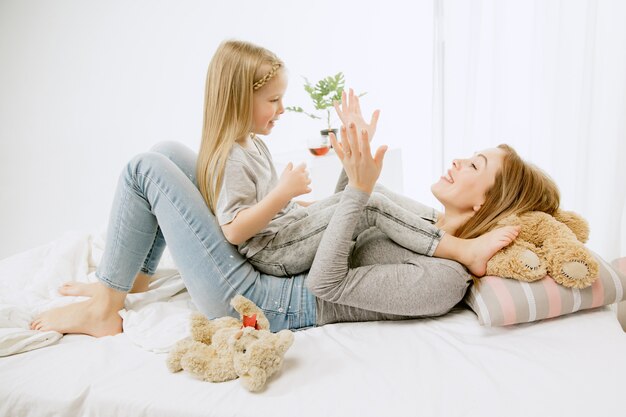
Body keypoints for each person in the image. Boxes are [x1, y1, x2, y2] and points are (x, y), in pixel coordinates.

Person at [29, 41, 561, 336]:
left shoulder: (443, 280)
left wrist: (355, 191)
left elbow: (327, 284)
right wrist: (349, 166)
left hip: (263, 301)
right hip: (271, 264)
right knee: (168, 153)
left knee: (145, 167)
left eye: (474, 163)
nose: (456, 159)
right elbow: (343, 219)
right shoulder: (424, 221)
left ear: (485, 200)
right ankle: (130, 280)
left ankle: (105, 308)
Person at [193, 40, 515, 278]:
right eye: (274, 100)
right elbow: (234, 232)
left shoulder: (252, 144)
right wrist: (282, 194)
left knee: (367, 195)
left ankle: (437, 224)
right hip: (275, 252)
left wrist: (313, 203)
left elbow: (282, 210)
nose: (282, 109)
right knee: (368, 204)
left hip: (288, 232)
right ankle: (463, 250)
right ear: (237, 99)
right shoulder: (231, 158)